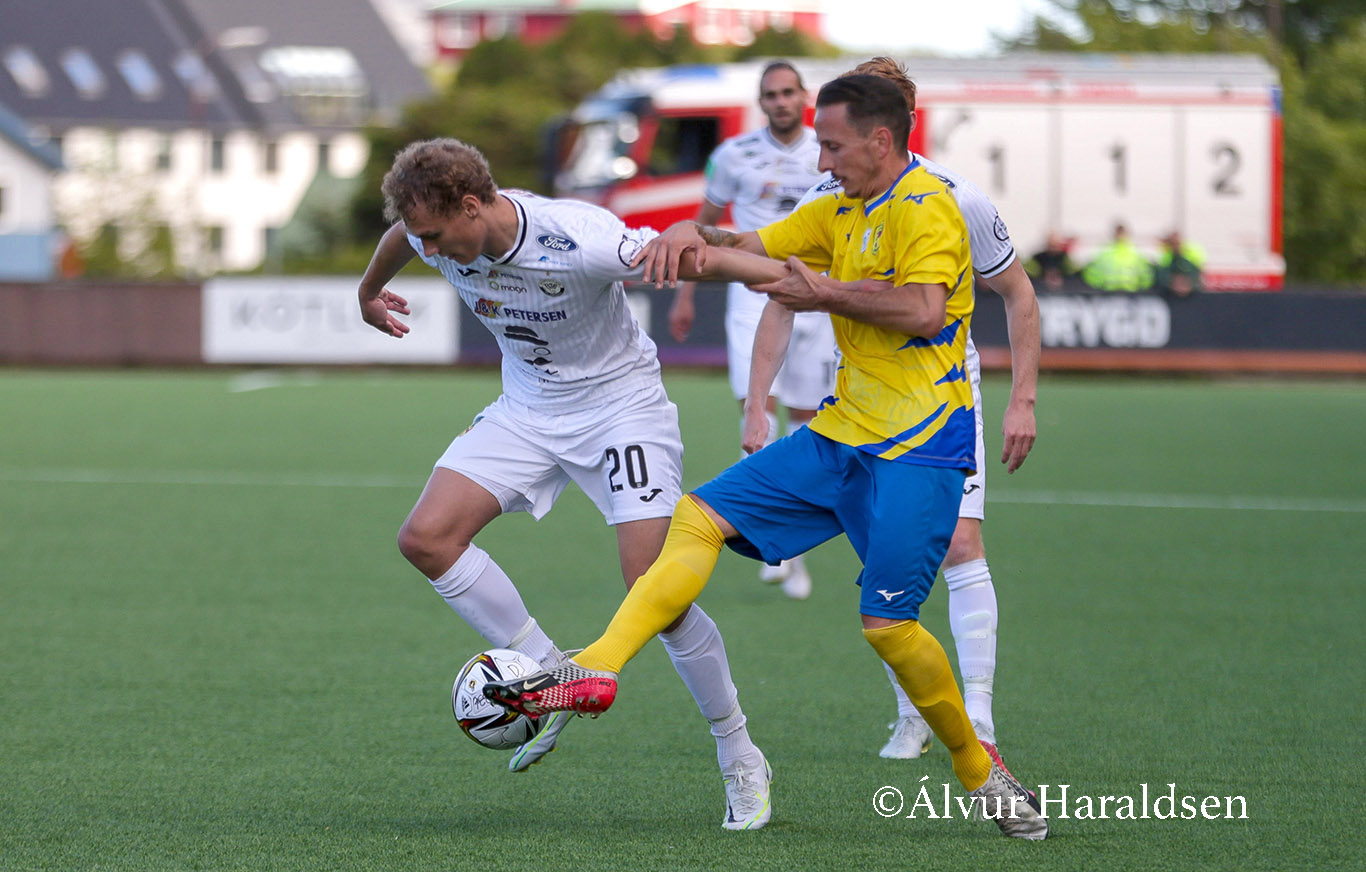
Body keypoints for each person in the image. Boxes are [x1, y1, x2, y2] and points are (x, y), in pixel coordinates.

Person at [485, 76, 1050, 840]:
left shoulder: (929, 208)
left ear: (881, 141)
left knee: (887, 626)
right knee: (697, 516)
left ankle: (981, 770)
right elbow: (753, 248)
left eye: (833, 145)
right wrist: (689, 235)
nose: (820, 159)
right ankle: (599, 666)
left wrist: (827, 295)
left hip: (922, 446)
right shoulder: (838, 205)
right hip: (841, 433)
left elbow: (923, 311)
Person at [356, 138, 793, 830]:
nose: (428, 249)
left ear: (471, 206)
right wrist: (367, 290)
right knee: (427, 538)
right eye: (421, 238)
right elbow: (400, 238)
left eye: (435, 236)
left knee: (655, 588)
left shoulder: (578, 238)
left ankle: (739, 752)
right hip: (528, 411)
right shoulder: (431, 231)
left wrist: (793, 279)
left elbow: (696, 259)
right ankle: (550, 670)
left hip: (622, 411)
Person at [753, 57, 1040, 763]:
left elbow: (1019, 294)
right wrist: (758, 402)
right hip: (860, 395)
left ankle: (979, 719)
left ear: (892, 127)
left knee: (961, 545)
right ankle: (913, 712)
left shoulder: (953, 198)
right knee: (886, 557)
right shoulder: (832, 195)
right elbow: (782, 293)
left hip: (942, 396)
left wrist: (1022, 400)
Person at [666, 61, 829, 601]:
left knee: (806, 424)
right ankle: (770, 540)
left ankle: (795, 551)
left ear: (803, 96)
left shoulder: (828, 152)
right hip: (752, 295)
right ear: (760, 103)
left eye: (788, 92)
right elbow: (705, 225)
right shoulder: (732, 155)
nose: (780, 102)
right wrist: (687, 293)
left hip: (816, 294)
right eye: (770, 95)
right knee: (756, 415)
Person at [1081, 223, 1153, 292]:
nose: (1120, 236)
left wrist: (1142, 290)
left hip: (1130, 294)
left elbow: (1146, 274)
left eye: (1122, 233)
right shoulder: (1105, 252)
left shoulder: (1135, 252)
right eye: (1118, 233)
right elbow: (1091, 272)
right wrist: (1098, 288)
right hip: (1108, 293)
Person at [1153, 230, 1205, 297]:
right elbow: (1161, 275)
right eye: (1172, 243)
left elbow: (1196, 274)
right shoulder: (1165, 255)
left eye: (1176, 243)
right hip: (1169, 295)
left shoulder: (1191, 254)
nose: (1175, 245)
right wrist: (1171, 283)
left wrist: (1188, 284)